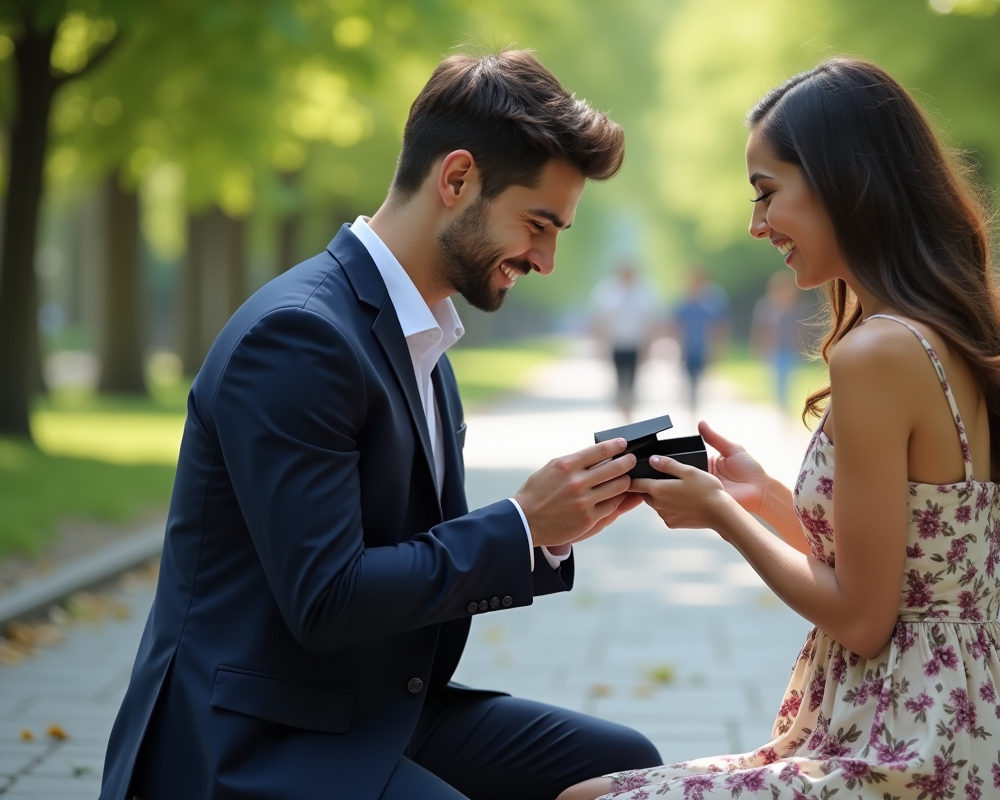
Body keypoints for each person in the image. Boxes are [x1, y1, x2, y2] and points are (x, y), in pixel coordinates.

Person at [100, 50, 661, 800]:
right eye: (538, 223)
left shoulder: (423, 336)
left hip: (366, 709)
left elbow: (408, 558)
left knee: (627, 769)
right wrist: (516, 524)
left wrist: (550, 531)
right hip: (252, 736)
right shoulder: (300, 336)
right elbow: (327, 599)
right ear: (456, 179)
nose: (549, 259)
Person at [562, 57, 1000, 800]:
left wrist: (725, 518)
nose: (756, 224)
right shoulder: (934, 332)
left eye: (767, 194)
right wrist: (766, 496)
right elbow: (904, 576)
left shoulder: (879, 351)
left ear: (843, 181)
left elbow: (863, 620)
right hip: (972, 729)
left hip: (906, 751)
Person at [588, 262, 660, 419]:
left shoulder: (644, 293)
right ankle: (622, 406)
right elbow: (600, 320)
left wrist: (649, 345)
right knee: (619, 377)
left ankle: (629, 407)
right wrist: (599, 344)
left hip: (635, 343)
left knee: (633, 378)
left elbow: (650, 321)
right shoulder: (608, 292)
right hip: (617, 343)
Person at [673, 268, 729, 410]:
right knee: (689, 376)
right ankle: (692, 402)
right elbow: (677, 325)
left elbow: (718, 325)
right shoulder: (684, 301)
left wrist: (718, 347)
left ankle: (695, 402)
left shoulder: (711, 301)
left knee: (700, 377)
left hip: (704, 347)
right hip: (688, 347)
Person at [750, 270, 805, 413]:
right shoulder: (766, 306)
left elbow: (798, 329)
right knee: (777, 379)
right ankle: (781, 406)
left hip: (789, 349)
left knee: (787, 378)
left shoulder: (794, 307)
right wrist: (758, 348)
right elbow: (759, 329)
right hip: (773, 349)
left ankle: (784, 406)